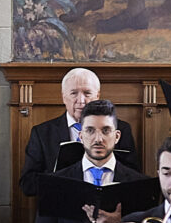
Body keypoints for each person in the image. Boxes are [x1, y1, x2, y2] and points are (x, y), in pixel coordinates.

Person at [33, 100, 147, 223]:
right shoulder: (55, 182)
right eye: (90, 130)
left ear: (117, 136)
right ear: (80, 136)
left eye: (106, 130)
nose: (98, 139)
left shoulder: (139, 183)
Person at [21, 68, 141, 196]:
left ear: (97, 96)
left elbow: (133, 178)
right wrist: (64, 177)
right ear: (63, 97)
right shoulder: (43, 133)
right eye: (74, 93)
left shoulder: (120, 129)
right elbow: (27, 185)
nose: (81, 100)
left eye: (87, 93)